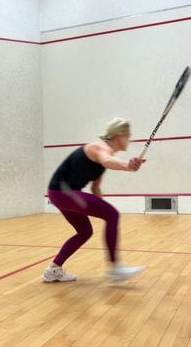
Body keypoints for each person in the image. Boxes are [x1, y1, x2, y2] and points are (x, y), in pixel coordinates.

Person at [43, 118, 145, 282]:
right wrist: (128, 165)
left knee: (85, 232)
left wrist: (101, 208)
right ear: (119, 135)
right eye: (128, 136)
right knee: (112, 214)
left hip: (59, 193)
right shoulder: (100, 147)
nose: (129, 140)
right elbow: (106, 160)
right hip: (64, 193)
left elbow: (95, 188)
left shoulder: (103, 157)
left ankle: (53, 270)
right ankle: (116, 269)